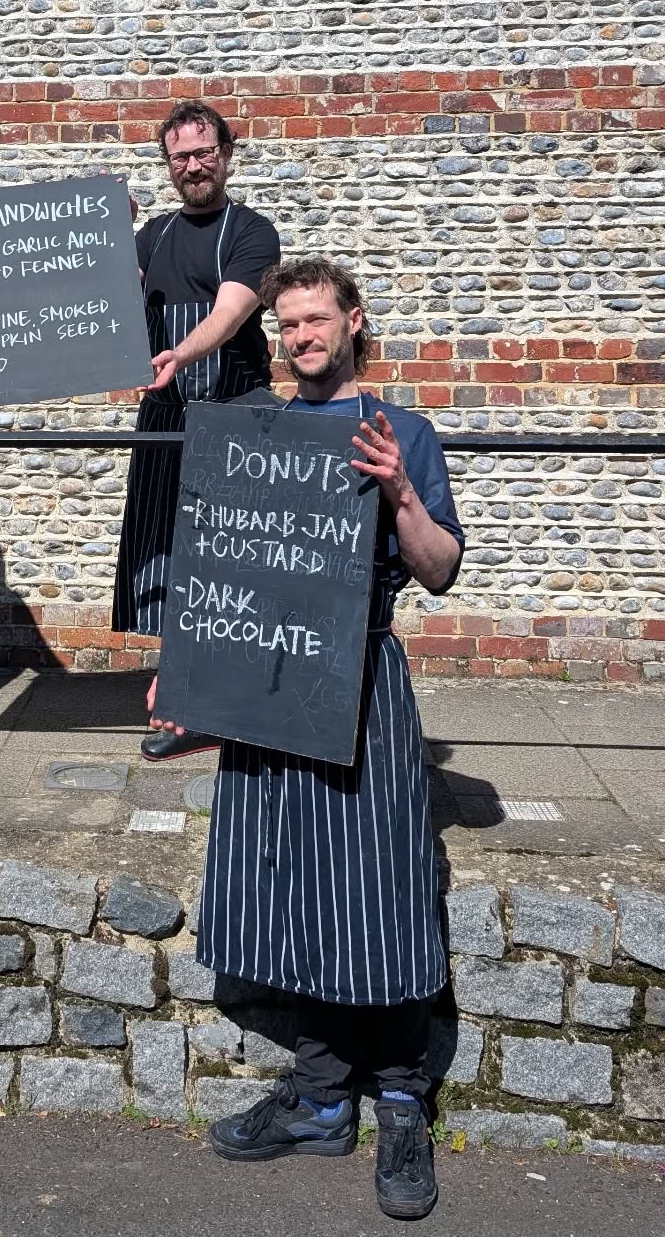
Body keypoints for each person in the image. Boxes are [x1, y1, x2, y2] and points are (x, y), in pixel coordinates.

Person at [149, 256, 464, 1222]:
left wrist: (402, 493)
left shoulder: (401, 430)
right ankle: (324, 1098)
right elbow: (220, 562)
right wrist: (188, 671)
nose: (299, 337)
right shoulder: (254, 428)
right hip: (262, 679)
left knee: (381, 884)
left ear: (354, 322)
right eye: (286, 324)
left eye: (315, 320)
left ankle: (403, 1098)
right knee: (292, 880)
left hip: (361, 678)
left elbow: (443, 569)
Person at [112, 100, 281, 761]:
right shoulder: (152, 236)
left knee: (234, 559)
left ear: (226, 154)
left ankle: (208, 699)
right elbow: (111, 300)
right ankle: (185, 689)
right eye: (179, 157)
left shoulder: (251, 233)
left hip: (237, 412)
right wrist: (103, 238)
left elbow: (231, 313)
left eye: (202, 152)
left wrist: (182, 352)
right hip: (166, 416)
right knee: (169, 556)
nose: (192, 166)